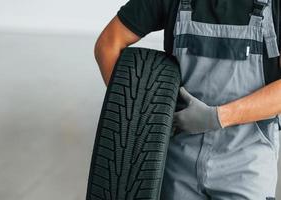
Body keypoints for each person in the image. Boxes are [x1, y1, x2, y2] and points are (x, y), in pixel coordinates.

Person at [94, 0, 281, 199]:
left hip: (246, 160)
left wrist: (217, 116)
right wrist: (138, 110)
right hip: (177, 160)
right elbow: (108, 44)